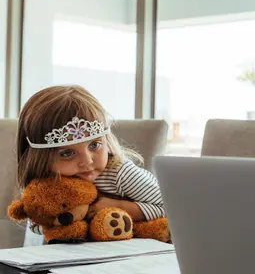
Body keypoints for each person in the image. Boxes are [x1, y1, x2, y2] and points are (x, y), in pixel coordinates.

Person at [16, 85, 167, 242]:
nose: (87, 161)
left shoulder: (120, 173)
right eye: (67, 153)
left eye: (94, 145)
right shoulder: (47, 184)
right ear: (39, 158)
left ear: (107, 141)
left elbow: (169, 208)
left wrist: (119, 206)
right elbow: (38, 225)